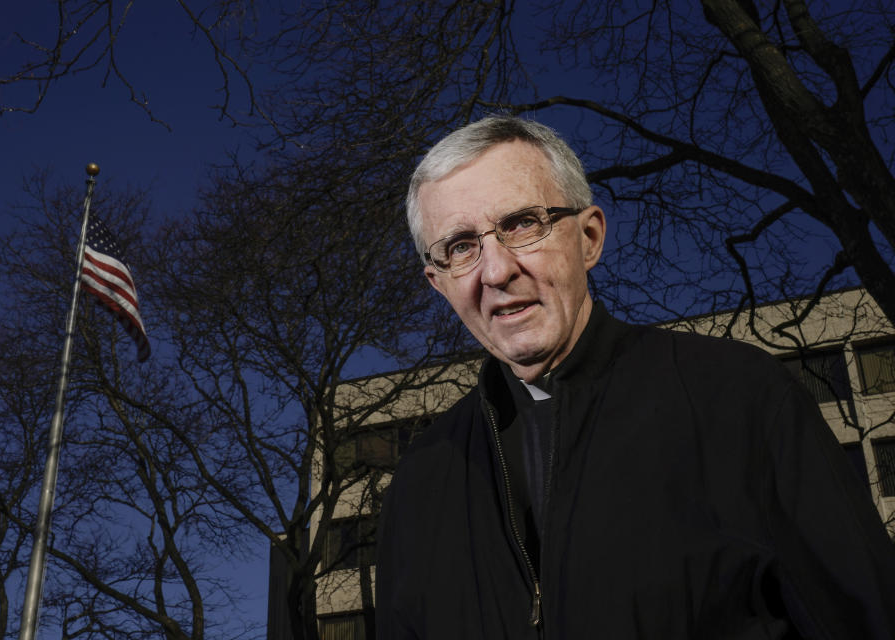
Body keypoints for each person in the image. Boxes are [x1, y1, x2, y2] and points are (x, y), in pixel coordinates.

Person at [375, 115, 895, 639]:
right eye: (461, 247)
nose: (495, 270)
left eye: (521, 224)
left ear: (590, 238)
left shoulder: (738, 399)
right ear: (438, 282)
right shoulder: (417, 486)